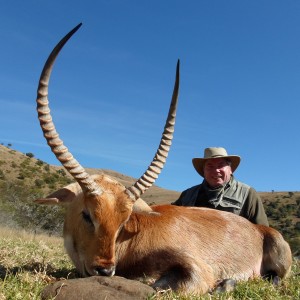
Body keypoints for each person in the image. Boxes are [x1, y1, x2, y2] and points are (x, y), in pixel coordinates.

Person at [172, 147, 269, 226]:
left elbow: (263, 231)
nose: (216, 170)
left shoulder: (247, 193)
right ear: (204, 171)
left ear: (230, 169)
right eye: (210, 166)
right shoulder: (187, 195)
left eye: (221, 165)